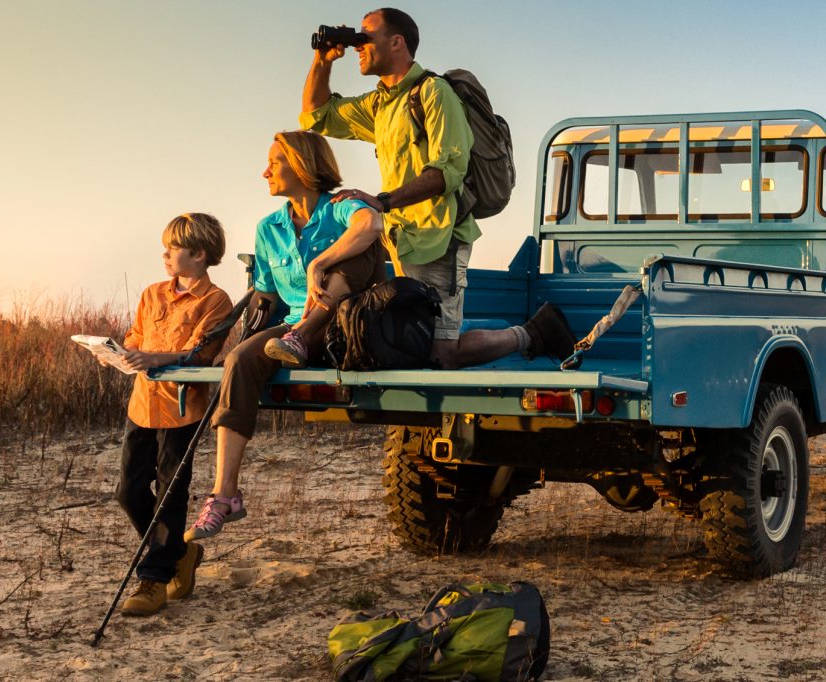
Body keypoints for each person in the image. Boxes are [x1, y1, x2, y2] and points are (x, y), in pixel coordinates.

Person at [299, 7, 576, 369]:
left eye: (365, 38)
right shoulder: (382, 103)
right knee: (411, 341)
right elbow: (316, 116)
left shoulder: (433, 93)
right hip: (402, 239)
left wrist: (382, 201)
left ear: (397, 42)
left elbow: (449, 171)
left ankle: (533, 333)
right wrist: (323, 60)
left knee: (440, 354)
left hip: (440, 239)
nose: (358, 47)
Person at [185, 130, 385, 541]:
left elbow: (372, 224)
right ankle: (225, 496)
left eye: (274, 163)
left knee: (356, 254)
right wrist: (235, 344)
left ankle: (303, 335)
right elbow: (267, 296)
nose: (265, 172)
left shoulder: (342, 207)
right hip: (291, 328)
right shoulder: (268, 228)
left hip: (349, 326)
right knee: (241, 361)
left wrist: (320, 264)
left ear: (302, 164)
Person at [92, 213, 233, 617]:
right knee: (129, 492)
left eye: (172, 249)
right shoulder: (152, 293)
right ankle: (181, 554)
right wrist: (117, 353)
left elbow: (201, 353)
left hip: (181, 409)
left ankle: (153, 579)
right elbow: (136, 337)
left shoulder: (216, 301)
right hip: (142, 405)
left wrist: (156, 357)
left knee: (169, 496)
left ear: (199, 254)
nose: (165, 255)